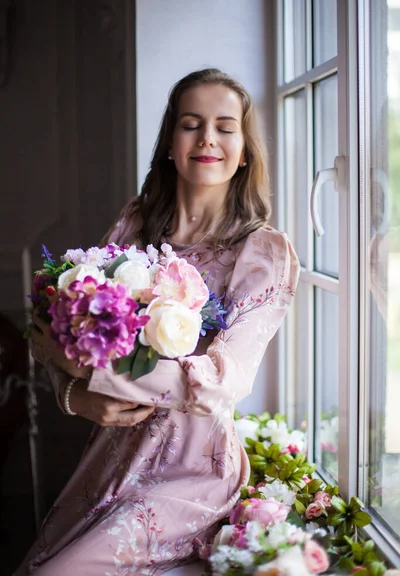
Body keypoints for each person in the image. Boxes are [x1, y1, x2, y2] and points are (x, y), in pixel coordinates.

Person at [15, 68, 300, 575]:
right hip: (111, 452)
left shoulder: (261, 253)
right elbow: (52, 335)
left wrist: (90, 371)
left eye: (225, 126)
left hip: (192, 473)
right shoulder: (135, 223)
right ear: (171, 141)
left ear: (245, 150)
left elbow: (218, 384)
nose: (207, 138)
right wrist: (73, 394)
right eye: (191, 123)